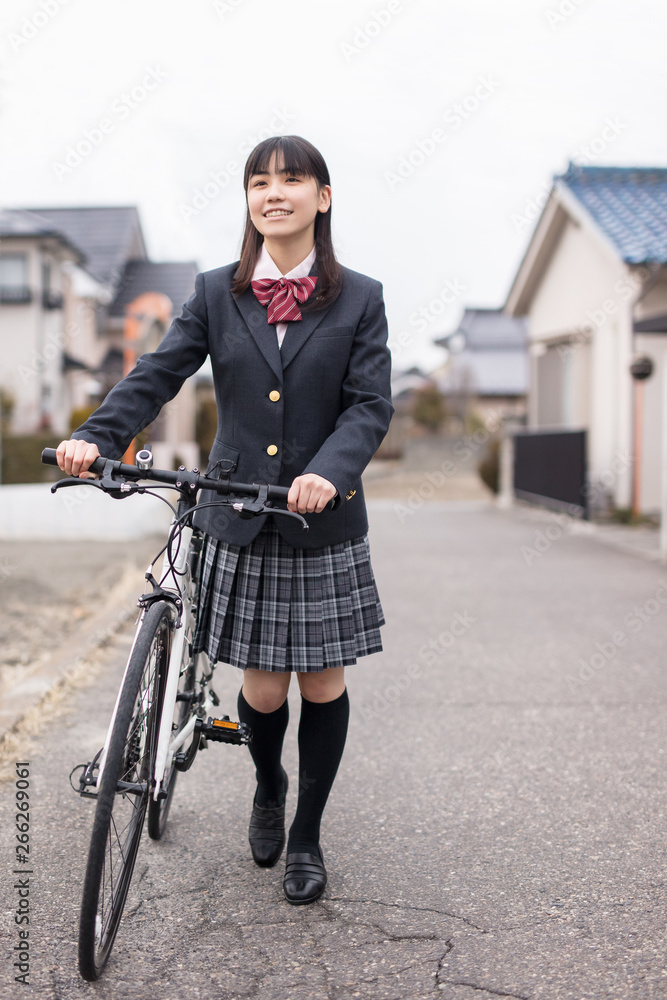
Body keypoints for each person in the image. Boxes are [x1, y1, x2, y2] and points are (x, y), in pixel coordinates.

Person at [57, 134, 393, 905]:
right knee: (265, 691)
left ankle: (306, 833)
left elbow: (370, 405)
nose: (274, 193)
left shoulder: (361, 297)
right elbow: (158, 372)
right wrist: (96, 436)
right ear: (248, 200)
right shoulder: (217, 292)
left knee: (321, 681)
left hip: (319, 518)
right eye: (259, 182)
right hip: (234, 510)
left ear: (323, 196)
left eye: (292, 180)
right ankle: (267, 782)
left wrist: (327, 473)